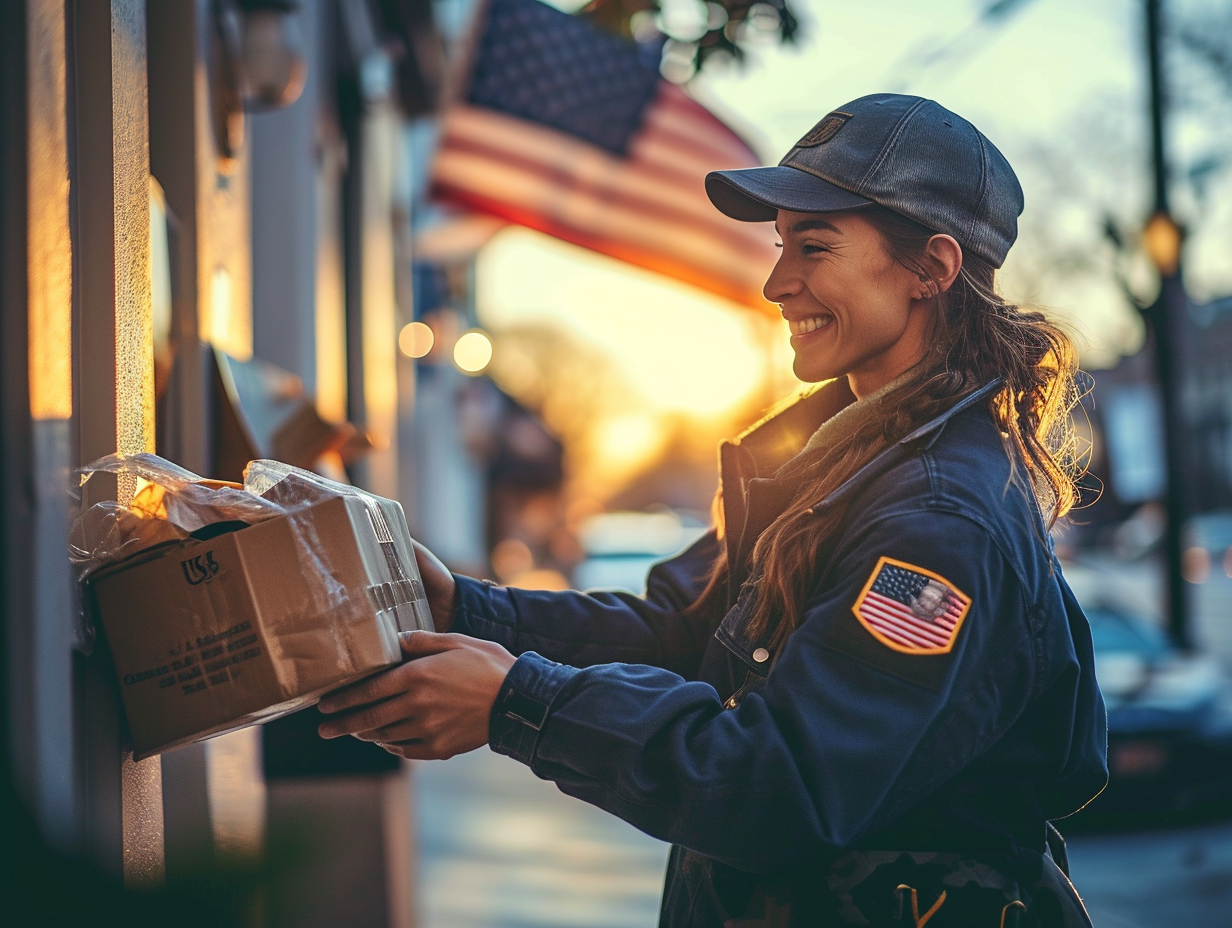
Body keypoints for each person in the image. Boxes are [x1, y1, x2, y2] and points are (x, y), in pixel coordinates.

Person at [317, 93, 1108, 927]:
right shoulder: (829, 463)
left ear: (932, 269)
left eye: (815, 246)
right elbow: (684, 633)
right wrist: (465, 608)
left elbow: (784, 783)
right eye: (780, 245)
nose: (776, 282)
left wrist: (519, 704)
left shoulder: (942, 519)